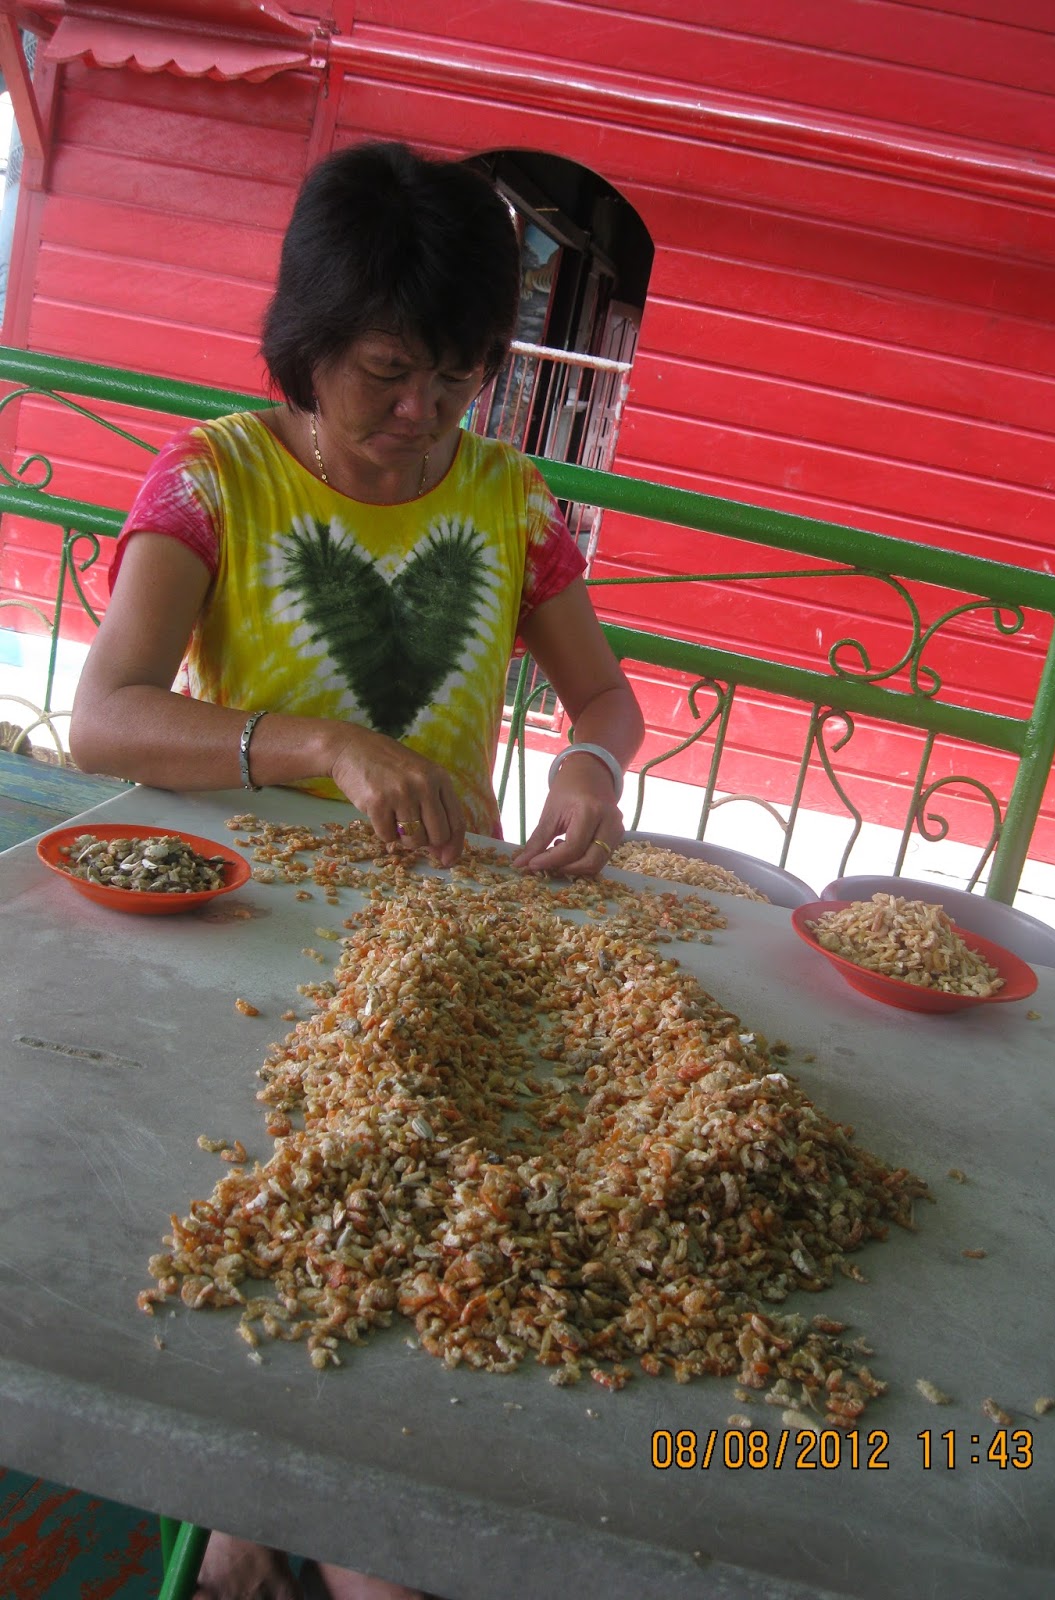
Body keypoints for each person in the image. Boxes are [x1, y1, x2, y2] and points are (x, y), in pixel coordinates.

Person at [69, 140, 645, 1600]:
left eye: (456, 380)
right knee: (240, 1231)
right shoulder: (216, 476)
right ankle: (257, 1508)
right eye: (389, 371)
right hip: (241, 940)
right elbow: (106, 716)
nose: (420, 415)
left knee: (405, 1247)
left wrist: (591, 764)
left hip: (435, 949)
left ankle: (321, 1516)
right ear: (308, 349)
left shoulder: (514, 502)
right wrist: (322, 745)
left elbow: (606, 704)